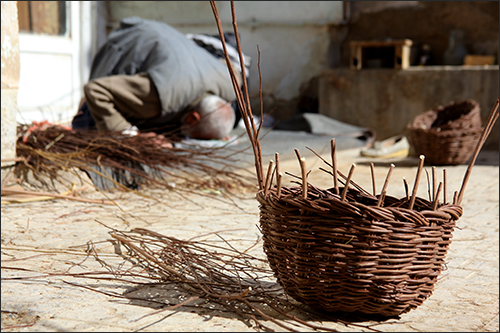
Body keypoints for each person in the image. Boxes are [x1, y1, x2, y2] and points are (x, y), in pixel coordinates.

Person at [72, 16, 250, 141]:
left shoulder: (231, 84)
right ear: (191, 119)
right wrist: (132, 136)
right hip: (129, 42)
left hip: (167, 40)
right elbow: (96, 90)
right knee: (87, 124)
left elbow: (233, 70)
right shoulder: (160, 95)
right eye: (194, 136)